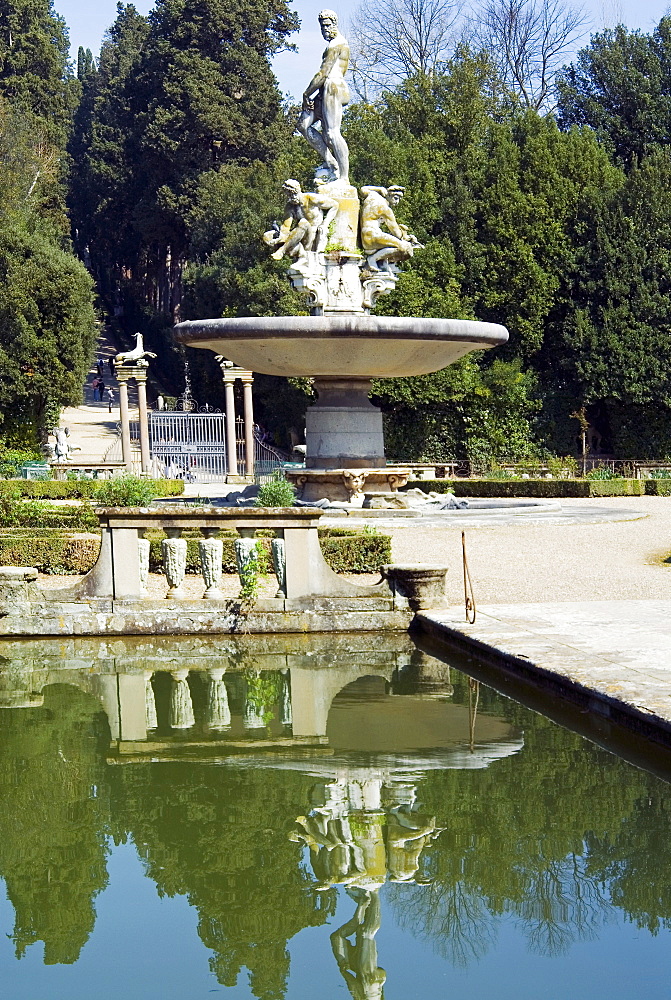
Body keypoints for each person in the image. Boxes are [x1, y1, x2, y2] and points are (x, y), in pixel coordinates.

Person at [297, 10, 350, 184]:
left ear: (335, 24)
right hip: (324, 90)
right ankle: (330, 162)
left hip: (332, 86)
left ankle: (344, 177)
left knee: (332, 133)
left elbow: (323, 73)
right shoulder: (333, 44)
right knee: (303, 125)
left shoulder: (336, 44)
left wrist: (306, 94)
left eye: (328, 25)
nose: (325, 29)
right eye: (322, 26)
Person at [263, 179, 338, 261]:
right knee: (267, 235)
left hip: (313, 233)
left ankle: (282, 251)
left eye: (292, 193)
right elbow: (285, 227)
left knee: (303, 222)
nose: (290, 197)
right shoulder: (290, 206)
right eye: (288, 194)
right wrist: (278, 238)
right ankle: (294, 252)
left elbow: (335, 205)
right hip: (300, 236)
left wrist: (325, 224)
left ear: (297, 191)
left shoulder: (310, 198)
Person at [360, 185, 423, 271]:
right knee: (406, 249)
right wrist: (407, 237)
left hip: (367, 235)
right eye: (396, 198)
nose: (397, 202)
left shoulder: (373, 196)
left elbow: (363, 189)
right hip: (372, 236)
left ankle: (382, 263)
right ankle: (373, 259)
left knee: (399, 245)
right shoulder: (385, 208)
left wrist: (379, 189)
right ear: (388, 195)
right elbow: (396, 233)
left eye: (399, 199)